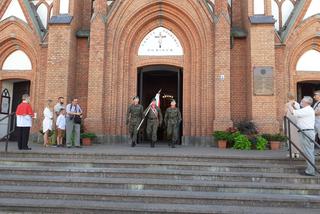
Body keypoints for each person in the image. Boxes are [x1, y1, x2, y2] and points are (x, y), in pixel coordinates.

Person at [288, 96, 316, 176]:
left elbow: (294, 112)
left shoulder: (307, 110)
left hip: (306, 132)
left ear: (306, 103)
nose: (301, 102)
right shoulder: (306, 110)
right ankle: (310, 169)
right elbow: (298, 111)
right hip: (306, 132)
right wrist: (293, 104)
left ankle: (310, 171)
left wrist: (289, 104)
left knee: (308, 152)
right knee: (308, 152)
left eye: (302, 101)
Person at [284, 93, 301, 158]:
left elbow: (285, 113)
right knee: (296, 137)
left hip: (289, 121)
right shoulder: (297, 104)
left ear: (287, 97)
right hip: (296, 122)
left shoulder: (287, 104)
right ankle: (297, 153)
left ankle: (292, 153)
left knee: (290, 136)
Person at [313, 90, 320, 156]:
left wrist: (311, 113)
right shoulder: (316, 103)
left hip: (319, 122)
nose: (314, 97)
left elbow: (318, 113)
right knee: (312, 135)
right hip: (315, 122)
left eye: (315, 95)